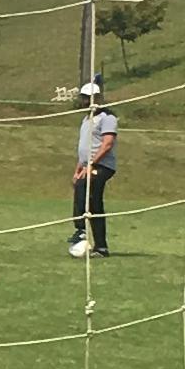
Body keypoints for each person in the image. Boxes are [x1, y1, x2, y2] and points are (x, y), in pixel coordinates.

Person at [71, 80, 118, 257]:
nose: (86, 101)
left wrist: (91, 165)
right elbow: (85, 148)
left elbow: (107, 144)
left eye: (89, 98)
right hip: (88, 165)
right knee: (93, 202)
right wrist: (79, 168)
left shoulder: (107, 118)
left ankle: (81, 229)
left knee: (85, 188)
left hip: (102, 165)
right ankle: (101, 246)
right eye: (84, 98)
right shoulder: (87, 119)